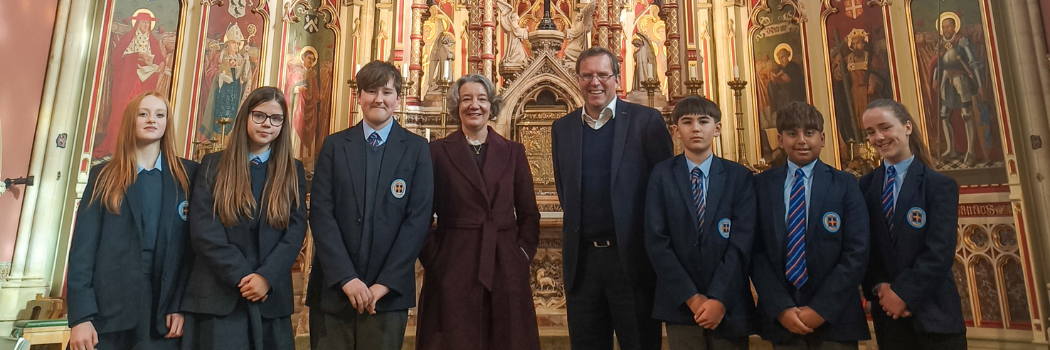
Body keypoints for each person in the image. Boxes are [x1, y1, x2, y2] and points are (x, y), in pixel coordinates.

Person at [551, 46, 674, 350]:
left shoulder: (647, 122)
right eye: (587, 75)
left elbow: (663, 194)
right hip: (583, 265)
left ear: (617, 79)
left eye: (603, 75)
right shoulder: (562, 128)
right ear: (577, 80)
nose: (595, 82)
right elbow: (566, 190)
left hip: (631, 261)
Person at [307, 61, 434, 349]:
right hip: (334, 289)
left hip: (387, 296)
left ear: (398, 99)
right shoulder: (334, 146)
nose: (379, 99)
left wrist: (383, 284)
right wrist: (346, 278)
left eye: (387, 92)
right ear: (359, 97)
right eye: (371, 91)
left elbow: (418, 220)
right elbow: (321, 214)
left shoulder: (417, 150)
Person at [416, 74, 541, 350]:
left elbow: (529, 214)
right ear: (456, 106)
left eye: (482, 99)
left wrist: (520, 255)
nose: (475, 105)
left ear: (491, 105)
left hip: (505, 265)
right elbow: (421, 214)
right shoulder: (436, 152)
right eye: (467, 99)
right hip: (452, 264)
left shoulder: (513, 152)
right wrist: (435, 259)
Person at [67, 91, 196, 350]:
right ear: (131, 120)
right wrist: (81, 318)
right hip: (108, 313)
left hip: (164, 315)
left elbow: (192, 252)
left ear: (167, 123)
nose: (152, 120)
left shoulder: (189, 175)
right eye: (143, 113)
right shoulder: (104, 175)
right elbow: (83, 251)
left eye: (160, 115)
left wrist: (182, 306)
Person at [181, 87, 307, 350]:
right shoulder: (213, 164)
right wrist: (243, 276)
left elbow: (295, 231)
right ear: (246, 117)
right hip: (219, 297)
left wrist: (265, 278)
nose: (267, 124)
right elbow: (204, 231)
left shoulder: (292, 170)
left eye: (276, 118)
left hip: (269, 299)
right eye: (259, 116)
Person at [751, 101, 870, 349]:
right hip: (783, 320)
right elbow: (756, 252)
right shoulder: (761, 185)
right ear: (780, 139)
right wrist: (781, 307)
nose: (801, 140)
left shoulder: (845, 184)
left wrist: (820, 308)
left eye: (809, 133)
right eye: (792, 133)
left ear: (823, 138)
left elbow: (856, 252)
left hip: (835, 319)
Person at [644, 95, 757, 350]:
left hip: (729, 304)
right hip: (681, 304)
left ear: (716, 129)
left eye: (703, 121)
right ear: (675, 130)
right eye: (687, 122)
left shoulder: (738, 177)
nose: (695, 128)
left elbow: (742, 242)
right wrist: (693, 298)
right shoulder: (662, 176)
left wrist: (718, 299)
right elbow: (656, 241)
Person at [859, 99, 966, 349]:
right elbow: (864, 248)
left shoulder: (939, 185)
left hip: (934, 315)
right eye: (871, 132)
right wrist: (880, 288)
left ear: (907, 127)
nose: (879, 137)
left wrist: (903, 294)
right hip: (889, 318)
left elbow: (939, 253)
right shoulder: (863, 187)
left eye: (885, 127)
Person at [93, 10, 166, 159]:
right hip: (127, 83)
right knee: (123, 112)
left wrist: (161, 64)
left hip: (144, 83)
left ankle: (135, 149)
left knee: (141, 114)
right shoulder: (128, 38)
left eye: (148, 23)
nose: (146, 26)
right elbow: (115, 59)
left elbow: (158, 58)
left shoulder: (152, 40)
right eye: (144, 22)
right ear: (137, 23)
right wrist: (136, 56)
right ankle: (115, 146)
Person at [931, 12, 985, 166]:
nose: (946, 28)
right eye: (944, 26)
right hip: (946, 82)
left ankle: (971, 151)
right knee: (944, 115)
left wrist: (980, 84)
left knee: (967, 115)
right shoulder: (940, 44)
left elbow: (974, 62)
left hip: (962, 81)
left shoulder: (962, 42)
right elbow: (938, 64)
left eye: (949, 25)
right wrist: (935, 78)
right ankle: (950, 149)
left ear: (954, 26)